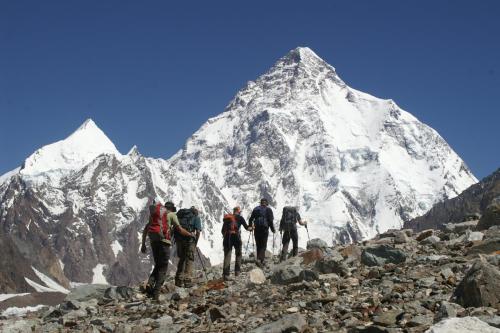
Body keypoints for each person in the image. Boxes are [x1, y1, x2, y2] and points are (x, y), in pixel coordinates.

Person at [141, 201, 194, 300]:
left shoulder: (155, 215)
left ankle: (150, 283)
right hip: (164, 242)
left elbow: (146, 229)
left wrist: (143, 244)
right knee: (163, 268)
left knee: (158, 264)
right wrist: (190, 234)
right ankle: (156, 294)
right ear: (172, 209)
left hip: (153, 241)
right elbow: (180, 230)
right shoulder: (172, 215)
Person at [222, 206, 252, 280]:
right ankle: (237, 272)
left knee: (227, 255)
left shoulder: (227, 218)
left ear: (233, 211)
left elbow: (222, 230)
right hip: (236, 237)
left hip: (227, 238)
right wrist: (252, 228)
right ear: (239, 211)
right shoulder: (240, 218)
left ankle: (226, 275)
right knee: (238, 254)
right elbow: (247, 227)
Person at [174, 206, 202, 287]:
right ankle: (187, 281)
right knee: (189, 259)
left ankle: (178, 280)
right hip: (190, 240)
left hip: (179, 239)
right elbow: (198, 232)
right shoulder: (196, 218)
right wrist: (195, 241)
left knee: (182, 258)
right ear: (196, 212)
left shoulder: (182, 216)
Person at [248, 198, 275, 267]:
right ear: (266, 203)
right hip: (264, 229)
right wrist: (272, 229)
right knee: (263, 244)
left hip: (256, 228)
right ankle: (260, 260)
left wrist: (250, 226)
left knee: (258, 244)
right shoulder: (268, 209)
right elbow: (270, 220)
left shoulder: (256, 209)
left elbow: (250, 219)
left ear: (260, 203)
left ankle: (258, 259)